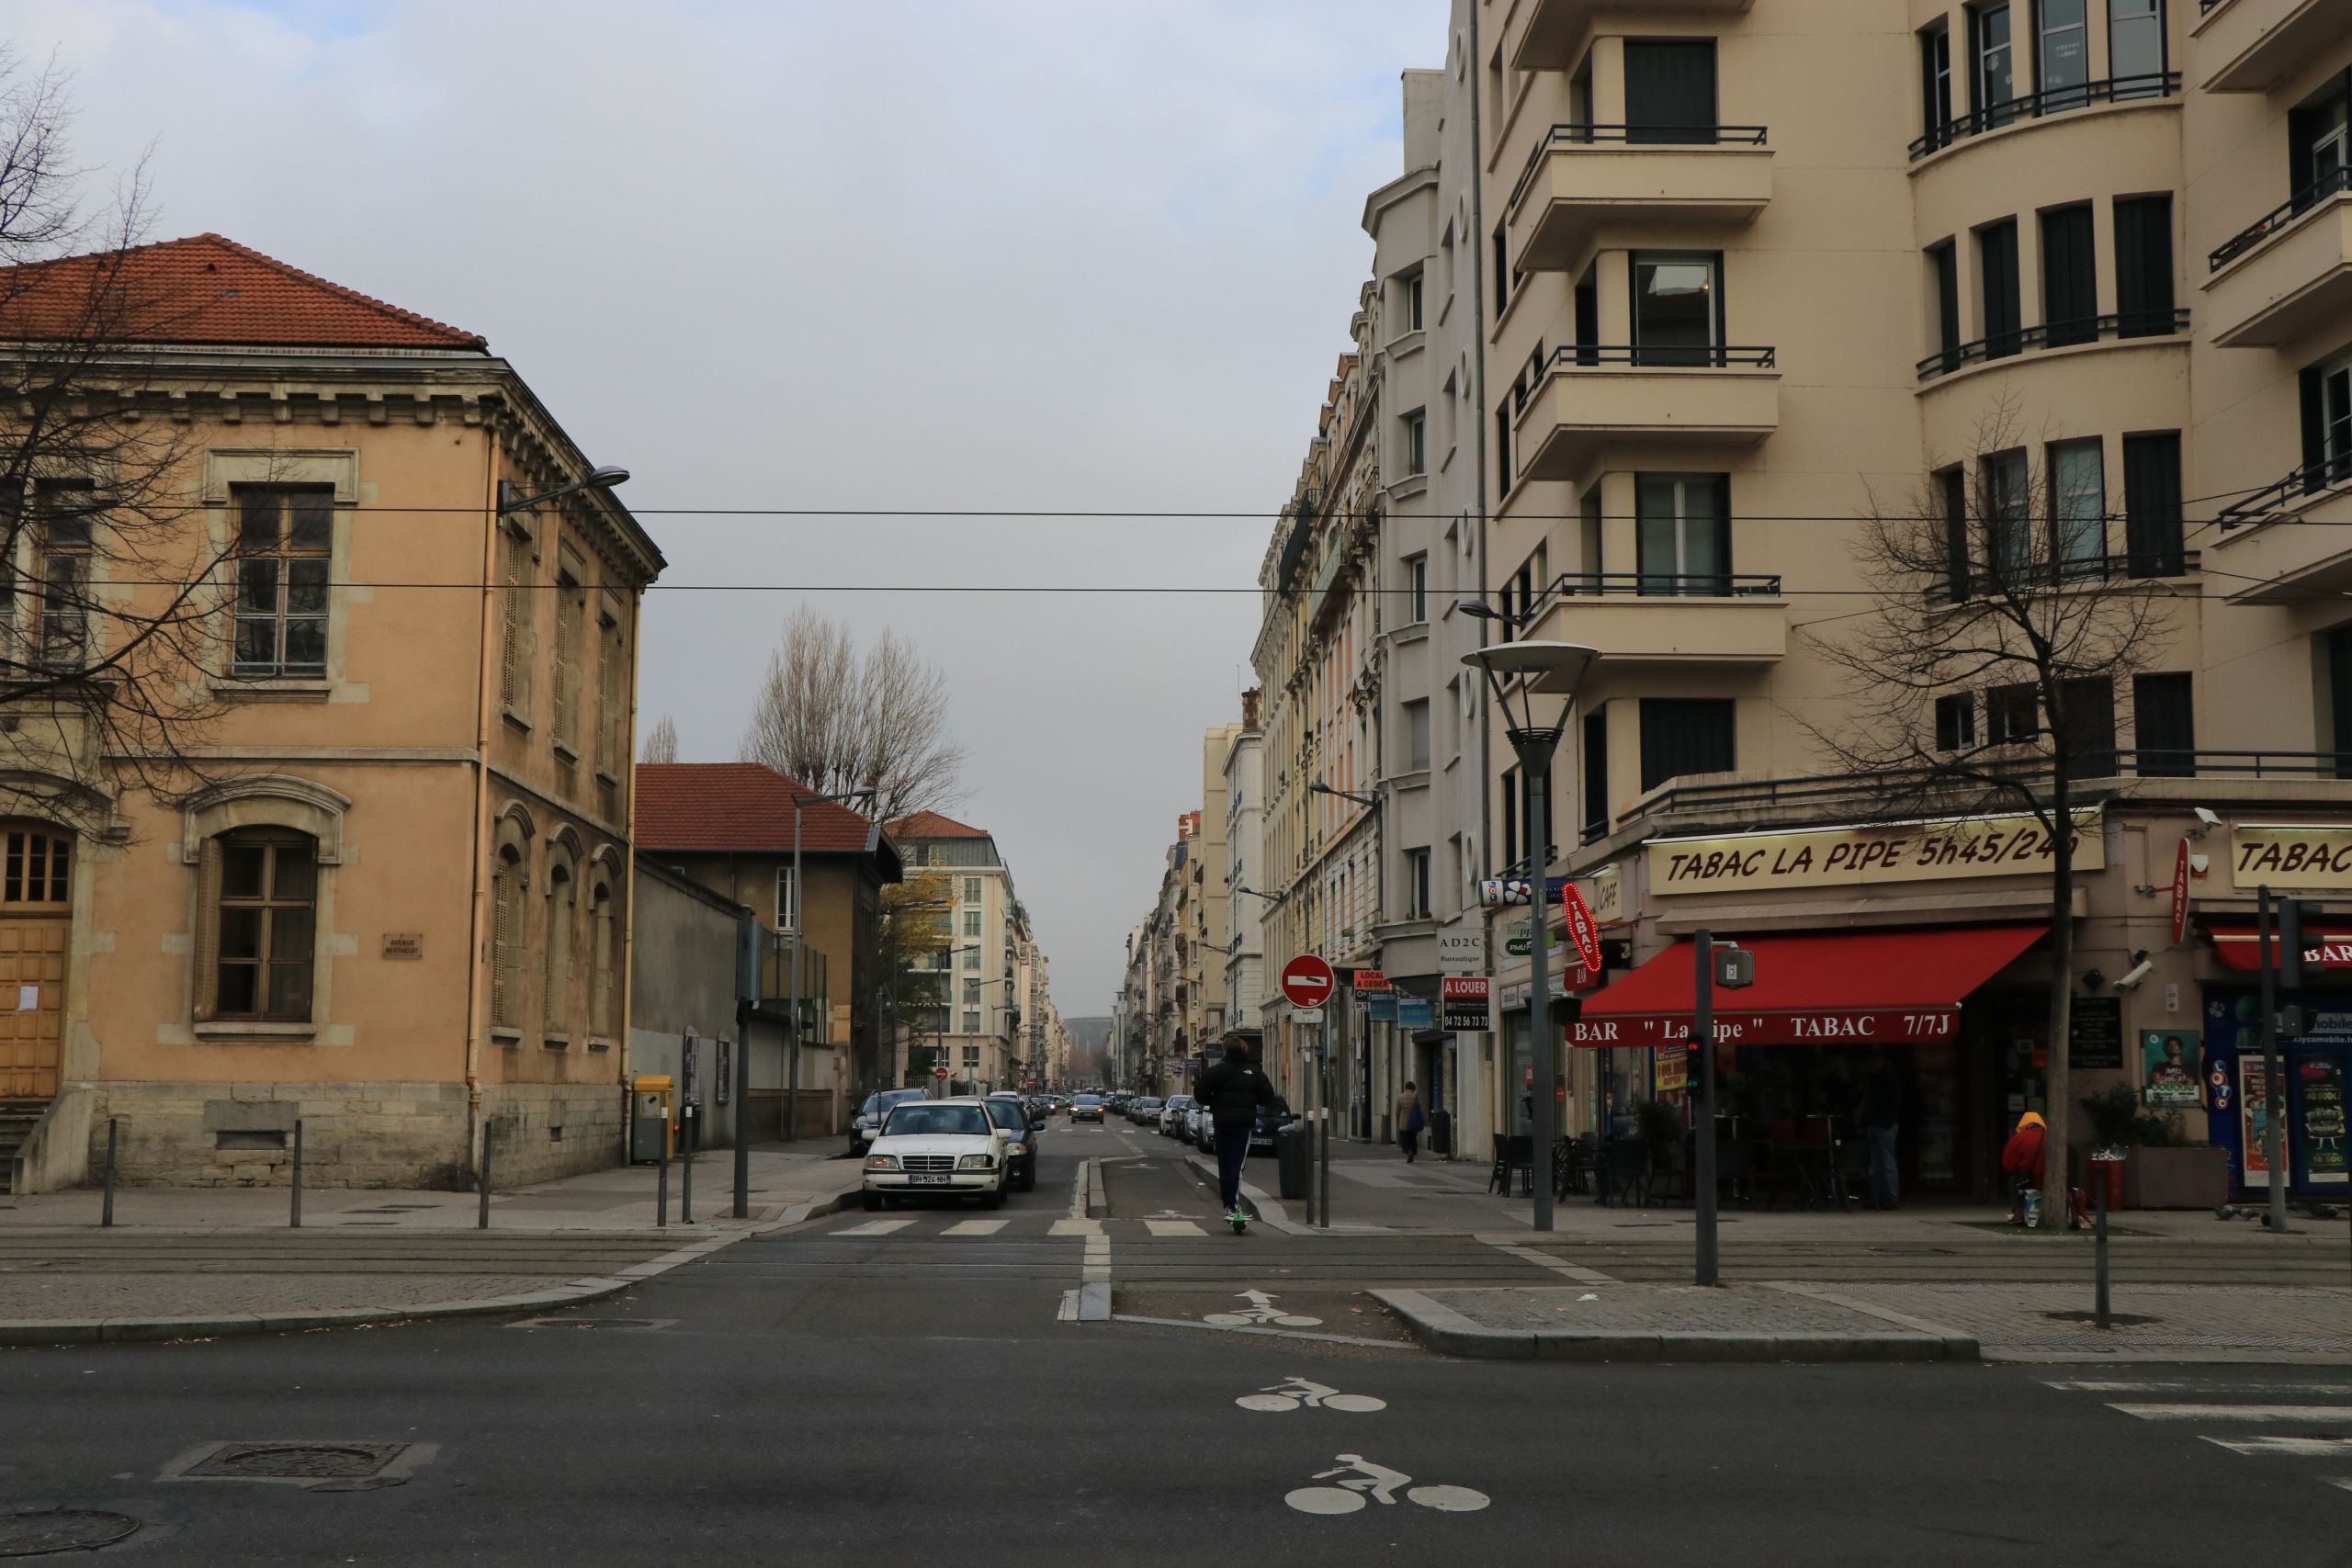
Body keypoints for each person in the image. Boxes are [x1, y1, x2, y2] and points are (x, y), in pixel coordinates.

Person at [1194, 1037, 1276, 1226]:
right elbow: (1267, 1097)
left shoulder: (1214, 1072)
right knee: (1236, 1166)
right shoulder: (1254, 1073)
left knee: (1224, 1165)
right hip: (1243, 1124)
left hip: (1222, 1122)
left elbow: (1200, 1095)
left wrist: (1215, 1101)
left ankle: (1229, 1205)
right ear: (1244, 1051)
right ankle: (1233, 1207)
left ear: (1225, 1051)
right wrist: (1251, 1098)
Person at [1859, 1052, 1903, 1211]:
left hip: (1885, 1124)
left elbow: (1894, 1102)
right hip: (1874, 1124)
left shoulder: (1889, 1080)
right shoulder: (1871, 1080)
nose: (1870, 1065)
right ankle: (1880, 1195)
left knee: (1887, 1162)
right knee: (1877, 1163)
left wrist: (1886, 1120)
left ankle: (1891, 1195)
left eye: (1874, 1061)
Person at [2001, 1111, 2047, 1224]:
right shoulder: (2052, 1137)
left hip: (2028, 1180)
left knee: (2013, 1182)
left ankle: (2019, 1212)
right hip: (2049, 1180)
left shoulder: (2018, 1138)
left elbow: (2008, 1164)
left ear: (2025, 1125)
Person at [1395, 1081, 1424, 1164]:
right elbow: (1421, 1109)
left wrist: (1397, 1121)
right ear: (1413, 1088)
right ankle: (1412, 1154)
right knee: (1413, 1138)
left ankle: (1408, 1151)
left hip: (1403, 1121)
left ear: (1406, 1088)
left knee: (1405, 1139)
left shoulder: (1400, 1097)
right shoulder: (1416, 1096)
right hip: (1414, 1121)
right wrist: (1423, 1120)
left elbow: (1397, 1111)